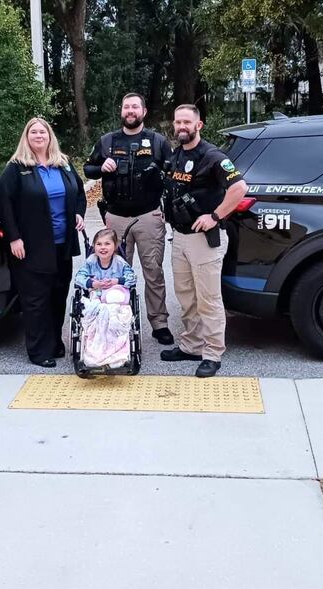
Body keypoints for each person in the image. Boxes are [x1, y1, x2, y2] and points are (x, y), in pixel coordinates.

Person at [160, 104, 247, 377]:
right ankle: (191, 345)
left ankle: (212, 353)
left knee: (208, 299)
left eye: (187, 122)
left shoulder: (212, 156)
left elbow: (239, 188)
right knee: (186, 297)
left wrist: (215, 216)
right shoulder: (176, 155)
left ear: (199, 125)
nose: (181, 126)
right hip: (181, 237)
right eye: (178, 122)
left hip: (204, 239)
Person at [84, 92, 174, 346]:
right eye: (126, 107)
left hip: (149, 216)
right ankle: (117, 318)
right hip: (116, 217)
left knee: (153, 271)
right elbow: (88, 169)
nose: (130, 110)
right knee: (115, 271)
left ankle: (159, 323)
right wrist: (102, 167)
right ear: (121, 111)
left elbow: (171, 174)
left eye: (135, 106)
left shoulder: (157, 141)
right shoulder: (107, 141)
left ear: (144, 111)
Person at [0, 117, 86, 367]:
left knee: (59, 295)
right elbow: (4, 204)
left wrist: (78, 212)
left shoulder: (63, 164)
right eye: (33, 132)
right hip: (31, 246)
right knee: (36, 300)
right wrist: (14, 238)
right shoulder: (16, 168)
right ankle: (38, 350)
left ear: (50, 136)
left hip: (62, 245)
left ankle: (55, 343)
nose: (38, 135)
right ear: (26, 137)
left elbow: (79, 192)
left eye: (42, 132)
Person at [74, 228, 137, 296]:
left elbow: (132, 277)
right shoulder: (90, 261)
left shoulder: (120, 262)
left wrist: (117, 281)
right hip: (94, 296)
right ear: (94, 246)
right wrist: (92, 284)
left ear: (115, 246)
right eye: (99, 244)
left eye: (107, 244)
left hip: (116, 296)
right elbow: (79, 277)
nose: (103, 247)